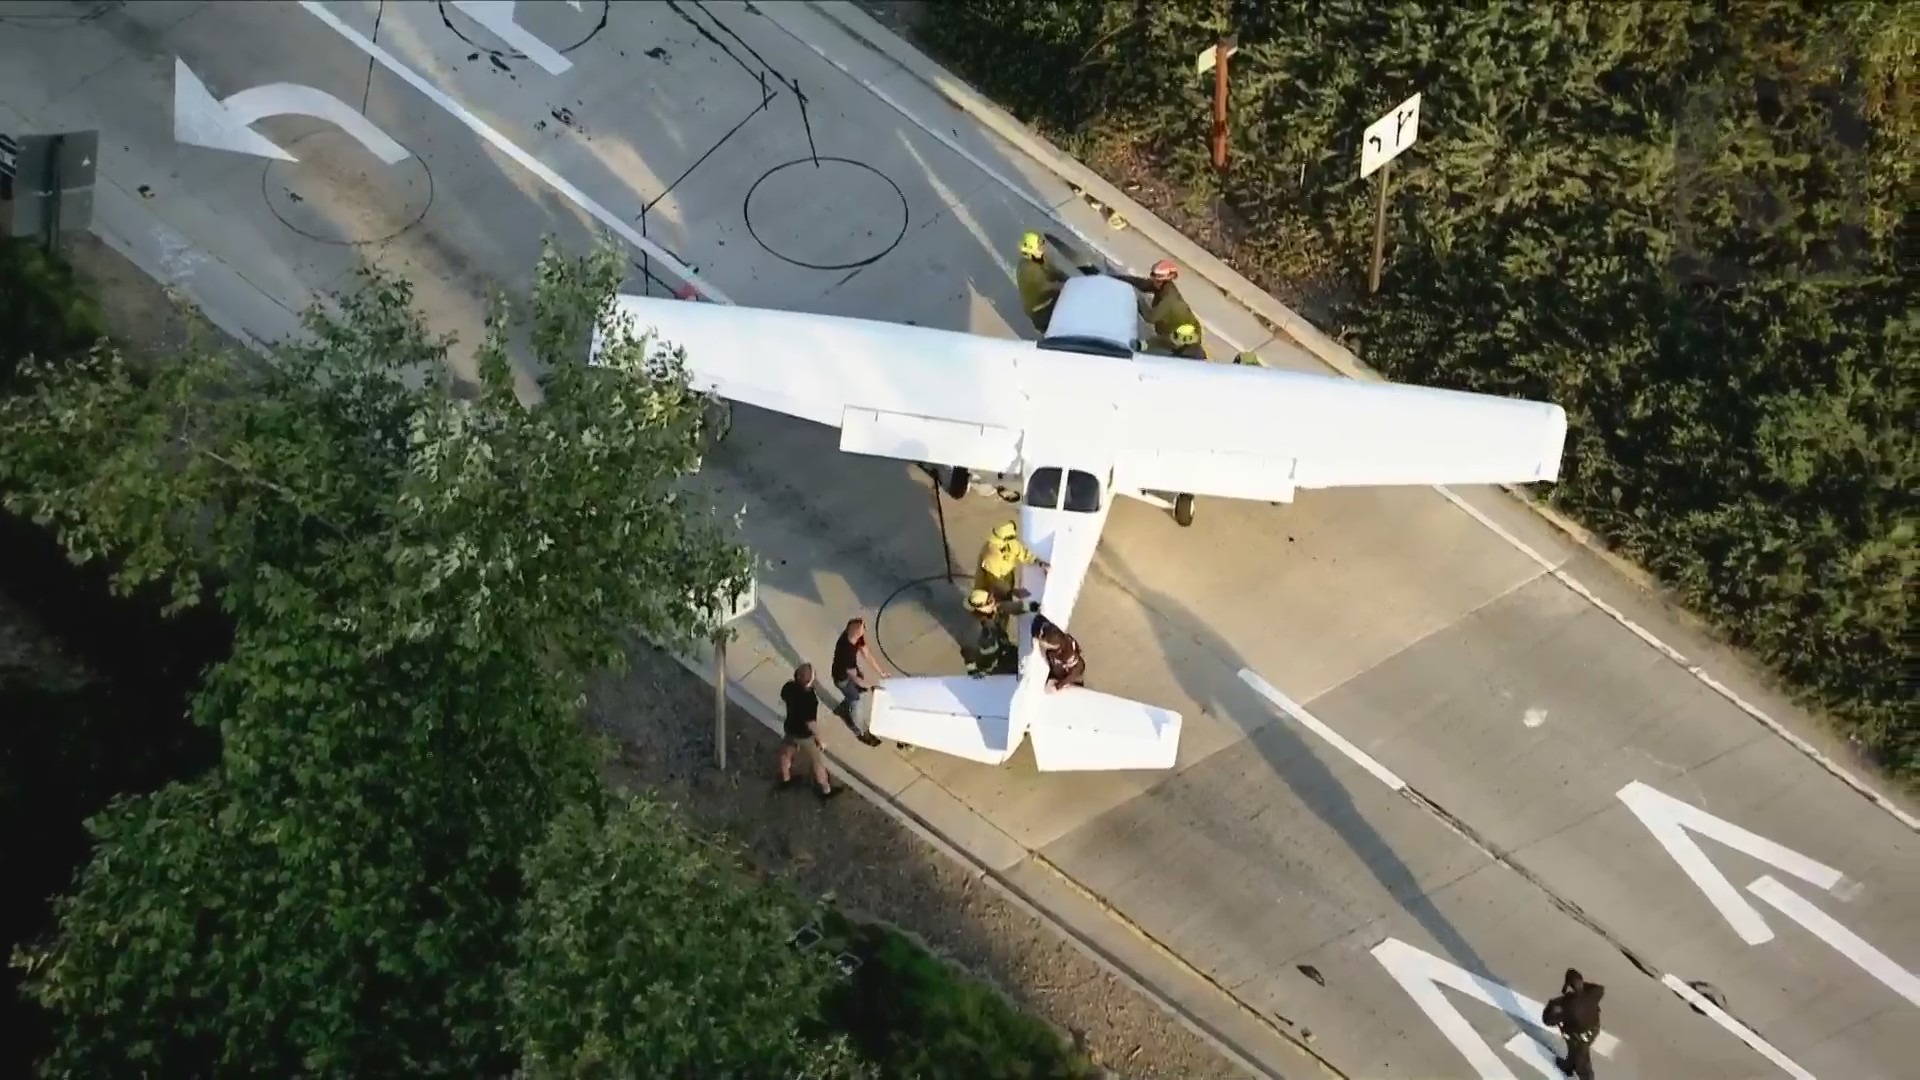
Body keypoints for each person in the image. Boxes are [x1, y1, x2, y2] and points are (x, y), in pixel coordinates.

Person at [777, 663, 842, 801]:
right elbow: (810, 723)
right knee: (817, 762)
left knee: (786, 753)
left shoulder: (789, 687)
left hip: (790, 728)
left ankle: (786, 779)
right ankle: (826, 790)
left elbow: (784, 696)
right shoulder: (809, 699)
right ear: (810, 681)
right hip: (804, 736)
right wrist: (820, 740)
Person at [830, 616, 887, 747]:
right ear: (854, 632)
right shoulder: (846, 651)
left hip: (850, 674)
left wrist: (881, 672)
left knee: (857, 693)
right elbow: (855, 678)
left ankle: (843, 707)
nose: (864, 632)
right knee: (857, 701)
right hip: (843, 679)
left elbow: (866, 653)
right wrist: (872, 687)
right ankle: (861, 731)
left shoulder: (855, 637)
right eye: (862, 630)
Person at [1542, 968, 1605, 1080]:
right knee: (1574, 1051)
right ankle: (1568, 1066)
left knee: (1583, 1065)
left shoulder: (1566, 1005)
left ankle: (1579, 1072)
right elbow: (1600, 989)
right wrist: (1580, 987)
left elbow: (1547, 1020)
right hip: (1594, 1029)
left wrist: (1553, 1007)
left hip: (1579, 1038)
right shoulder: (1593, 993)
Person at [1128, 259, 1199, 354]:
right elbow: (1142, 284)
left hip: (1183, 338)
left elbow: (1150, 317)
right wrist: (1121, 278)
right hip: (1176, 333)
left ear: (1164, 281)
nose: (1154, 282)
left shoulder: (1169, 300)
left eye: (1157, 280)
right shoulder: (1161, 286)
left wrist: (1138, 298)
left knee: (1165, 344)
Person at [964, 588, 1037, 678]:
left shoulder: (993, 611)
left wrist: (1032, 606)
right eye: (990, 601)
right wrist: (975, 673)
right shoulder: (983, 637)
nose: (993, 601)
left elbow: (1010, 607)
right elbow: (980, 660)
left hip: (1006, 650)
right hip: (1000, 667)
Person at [974, 521, 1049, 604]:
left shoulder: (1012, 544)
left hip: (1007, 580)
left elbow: (1024, 554)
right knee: (996, 607)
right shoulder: (988, 553)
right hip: (992, 586)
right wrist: (1014, 592)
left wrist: (1038, 562)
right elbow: (989, 579)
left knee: (1007, 603)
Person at [1014, 230, 1070, 336]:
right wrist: (1058, 286)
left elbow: (1054, 271)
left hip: (1048, 299)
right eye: (1039, 246)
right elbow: (1042, 286)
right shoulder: (1027, 269)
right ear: (1031, 250)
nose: (1042, 247)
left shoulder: (1040, 258)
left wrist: (1069, 280)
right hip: (1040, 309)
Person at [1031, 614, 1086, 692]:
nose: (1041, 641)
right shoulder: (1053, 632)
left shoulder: (1067, 654)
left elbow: (1077, 670)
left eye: (1044, 640)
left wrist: (1059, 685)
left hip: (1066, 677)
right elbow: (1039, 620)